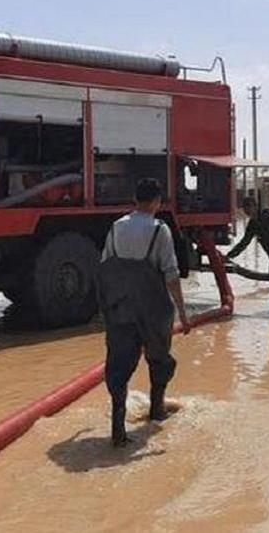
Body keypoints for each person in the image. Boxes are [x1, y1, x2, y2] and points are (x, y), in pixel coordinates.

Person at [96, 178, 191, 447]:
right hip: (153, 310)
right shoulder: (159, 229)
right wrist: (183, 314)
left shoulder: (116, 228)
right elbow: (171, 275)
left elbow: (105, 269)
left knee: (118, 365)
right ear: (157, 202)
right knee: (159, 359)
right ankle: (157, 410)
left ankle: (117, 429)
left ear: (135, 200)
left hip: (120, 308)